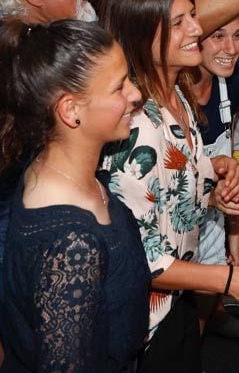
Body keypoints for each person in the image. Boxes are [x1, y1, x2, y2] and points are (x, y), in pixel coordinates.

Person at [101, 0, 239, 371]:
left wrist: (212, 174)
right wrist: (233, 283)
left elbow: (168, 193)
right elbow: (145, 260)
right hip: (145, 329)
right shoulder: (136, 127)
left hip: (180, 303)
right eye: (179, 22)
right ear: (143, 34)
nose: (197, 27)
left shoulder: (175, 92)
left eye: (193, 14)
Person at [0, 19, 150, 371]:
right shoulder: (70, 246)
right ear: (70, 110)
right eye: (118, 87)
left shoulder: (52, 168)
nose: (136, 94)